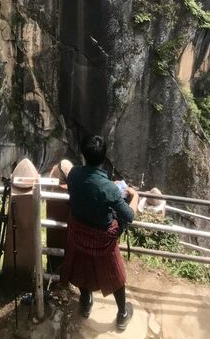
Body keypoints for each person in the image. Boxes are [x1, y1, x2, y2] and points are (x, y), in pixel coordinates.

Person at [61, 135, 139, 332]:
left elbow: (86, 189)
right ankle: (122, 314)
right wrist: (135, 195)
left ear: (84, 154)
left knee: (83, 266)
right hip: (102, 238)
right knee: (115, 274)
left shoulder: (74, 175)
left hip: (79, 232)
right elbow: (129, 216)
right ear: (104, 158)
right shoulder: (109, 188)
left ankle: (86, 302)